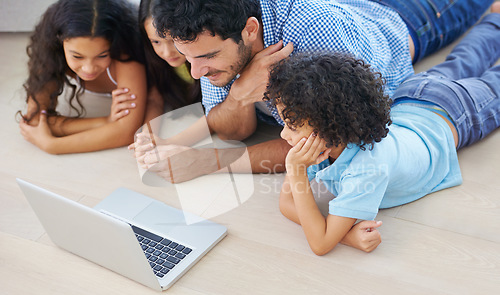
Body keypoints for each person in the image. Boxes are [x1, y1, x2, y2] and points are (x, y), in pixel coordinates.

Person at [131, 0, 493, 183]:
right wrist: (241, 93)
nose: (196, 72)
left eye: (207, 57)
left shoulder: (313, 39)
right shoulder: (211, 45)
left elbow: (319, 146)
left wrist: (206, 163)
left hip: (407, 19)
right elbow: (234, 130)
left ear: (250, 30)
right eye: (188, 60)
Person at [263, 8, 500, 255]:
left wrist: (297, 172)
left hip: (453, 112)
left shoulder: (366, 168)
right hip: (412, 95)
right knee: (466, 58)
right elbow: (287, 204)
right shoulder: (328, 141)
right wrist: (345, 236)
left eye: (291, 125)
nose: (283, 135)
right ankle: (495, 18)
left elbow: (320, 243)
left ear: (328, 124)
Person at [17, 0, 147, 154]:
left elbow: (126, 131)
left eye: (102, 55)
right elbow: (35, 120)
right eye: (77, 57)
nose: (89, 68)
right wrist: (106, 121)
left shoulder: (125, 58)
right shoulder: (52, 57)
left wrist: (52, 145)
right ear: (59, 42)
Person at [137, 0, 201, 123]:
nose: (167, 53)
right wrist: (148, 133)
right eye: (156, 42)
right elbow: (155, 98)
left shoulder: (208, 61)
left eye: (173, 41)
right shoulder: (154, 61)